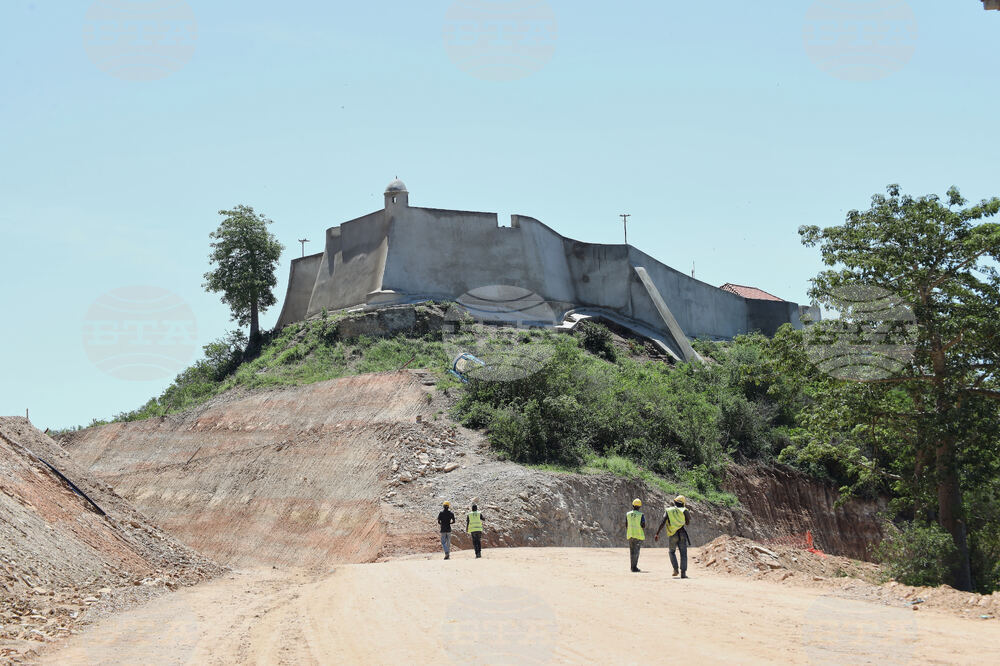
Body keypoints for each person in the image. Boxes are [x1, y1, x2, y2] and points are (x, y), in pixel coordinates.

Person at [654, 495, 691, 578]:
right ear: (683, 503)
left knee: (671, 552)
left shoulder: (668, 510)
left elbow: (662, 522)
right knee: (683, 554)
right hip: (682, 533)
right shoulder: (685, 510)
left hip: (672, 534)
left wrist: (657, 533)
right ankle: (683, 573)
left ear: (675, 502)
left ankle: (675, 569)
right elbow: (688, 523)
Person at [626, 498, 645, 572]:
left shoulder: (628, 514)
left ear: (633, 505)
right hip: (638, 535)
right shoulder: (641, 515)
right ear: (640, 506)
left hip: (630, 534)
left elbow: (626, 524)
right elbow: (643, 525)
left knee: (632, 551)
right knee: (636, 552)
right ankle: (634, 568)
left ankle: (632, 567)